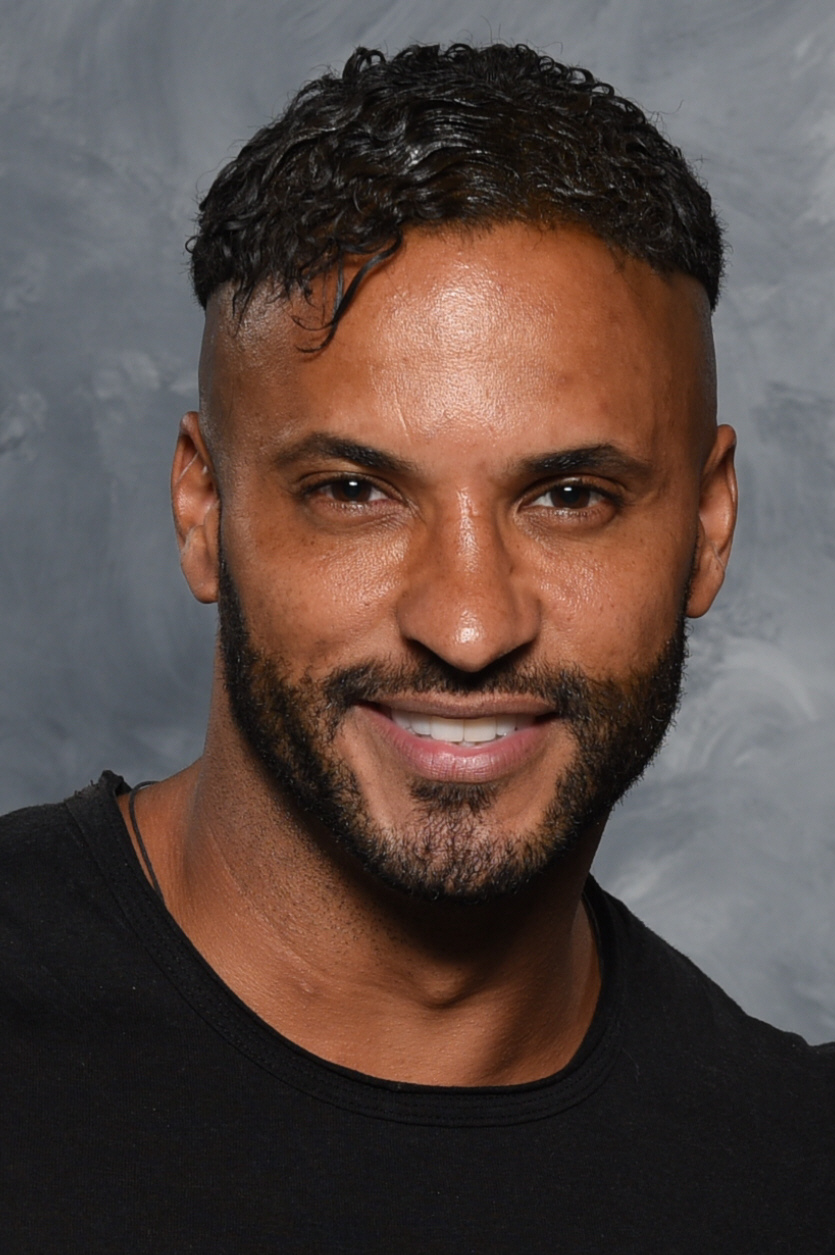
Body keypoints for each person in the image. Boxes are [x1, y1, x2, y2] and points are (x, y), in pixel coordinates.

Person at [1, 41, 832, 1253]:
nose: (468, 626)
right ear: (203, 508)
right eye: (354, 491)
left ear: (706, 529)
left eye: (569, 496)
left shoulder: (793, 1174)